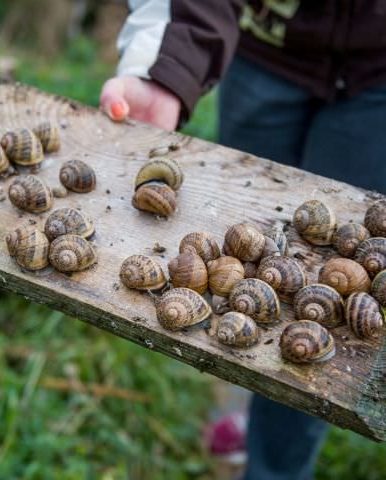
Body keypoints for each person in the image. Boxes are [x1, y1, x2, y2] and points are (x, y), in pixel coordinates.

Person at [100, 2, 386, 479]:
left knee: (327, 330)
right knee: (246, 209)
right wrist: (168, 65)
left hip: (378, 78)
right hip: (266, 47)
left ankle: (273, 463)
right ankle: (253, 411)